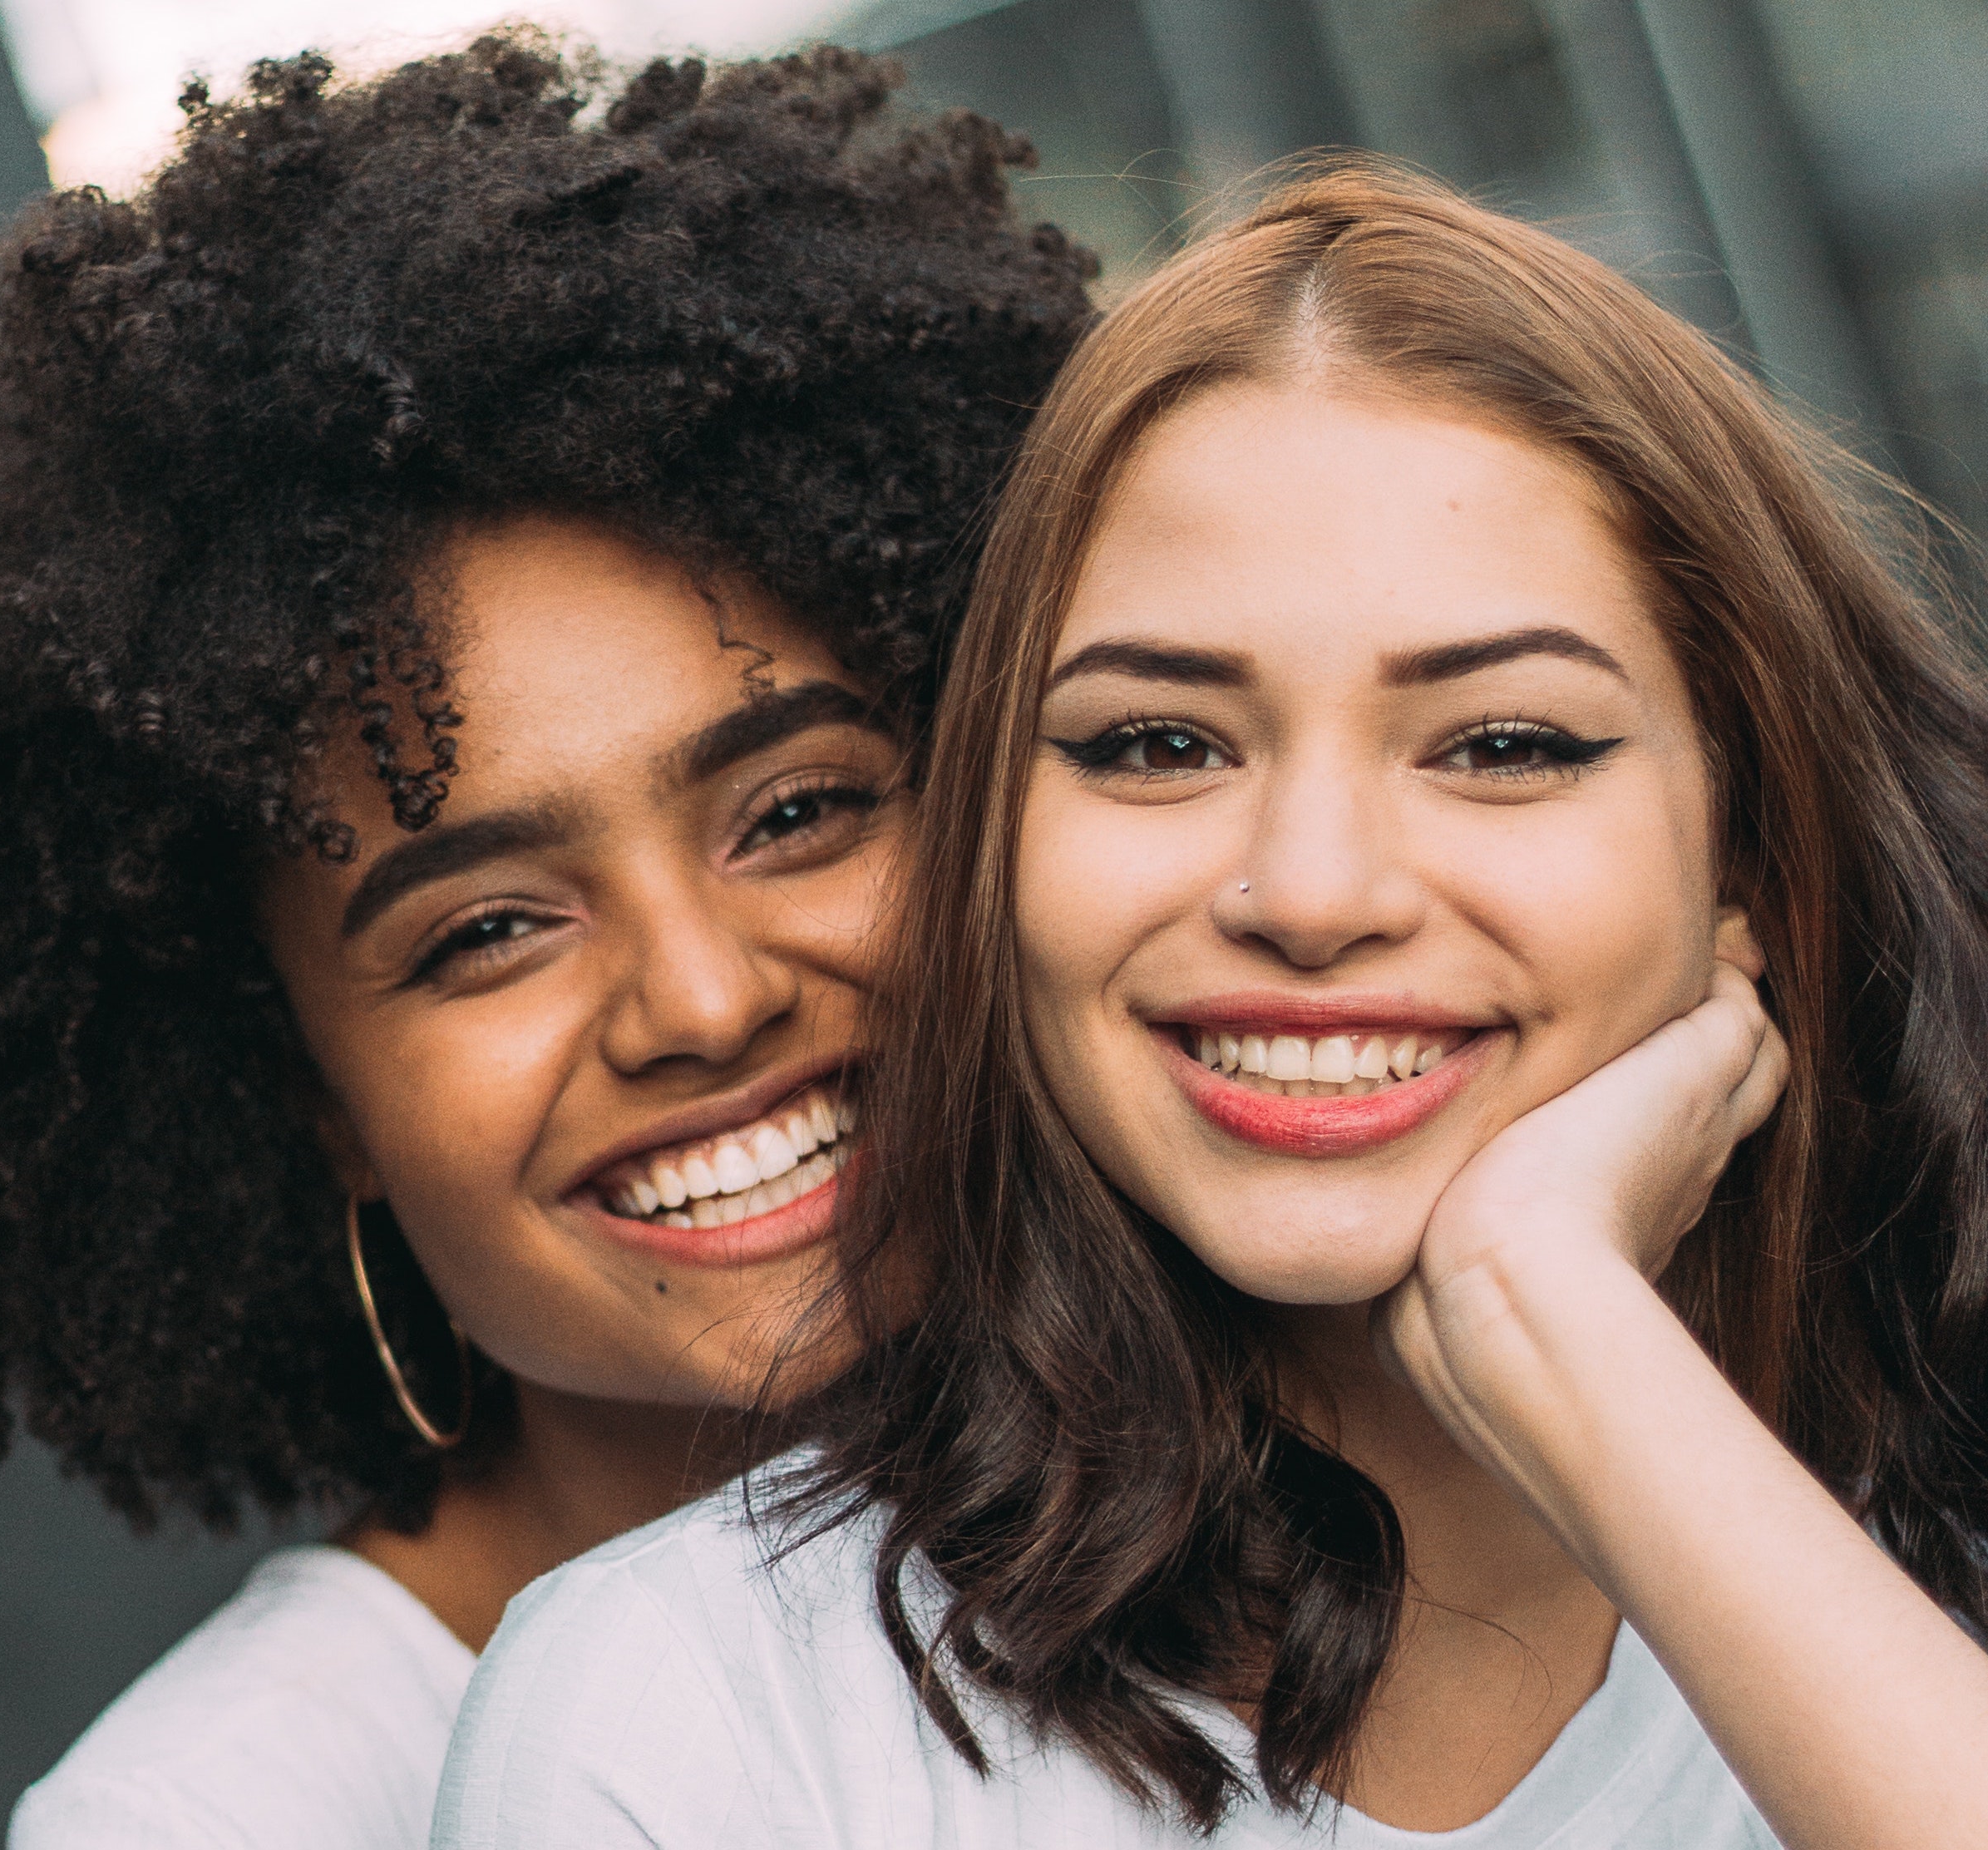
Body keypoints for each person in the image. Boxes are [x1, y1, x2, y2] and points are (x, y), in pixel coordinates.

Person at [435, 164, 1988, 1849]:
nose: (1311, 892)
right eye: (1155, 745)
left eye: (1503, 744)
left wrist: (1561, 1326)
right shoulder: (687, 1721)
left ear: (1747, 848)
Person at [0, 31, 1093, 1850]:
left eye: (796, 812)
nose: (704, 999)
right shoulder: (224, 1819)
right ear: (303, 1083)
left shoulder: (1318, 1488)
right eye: (487, 931)